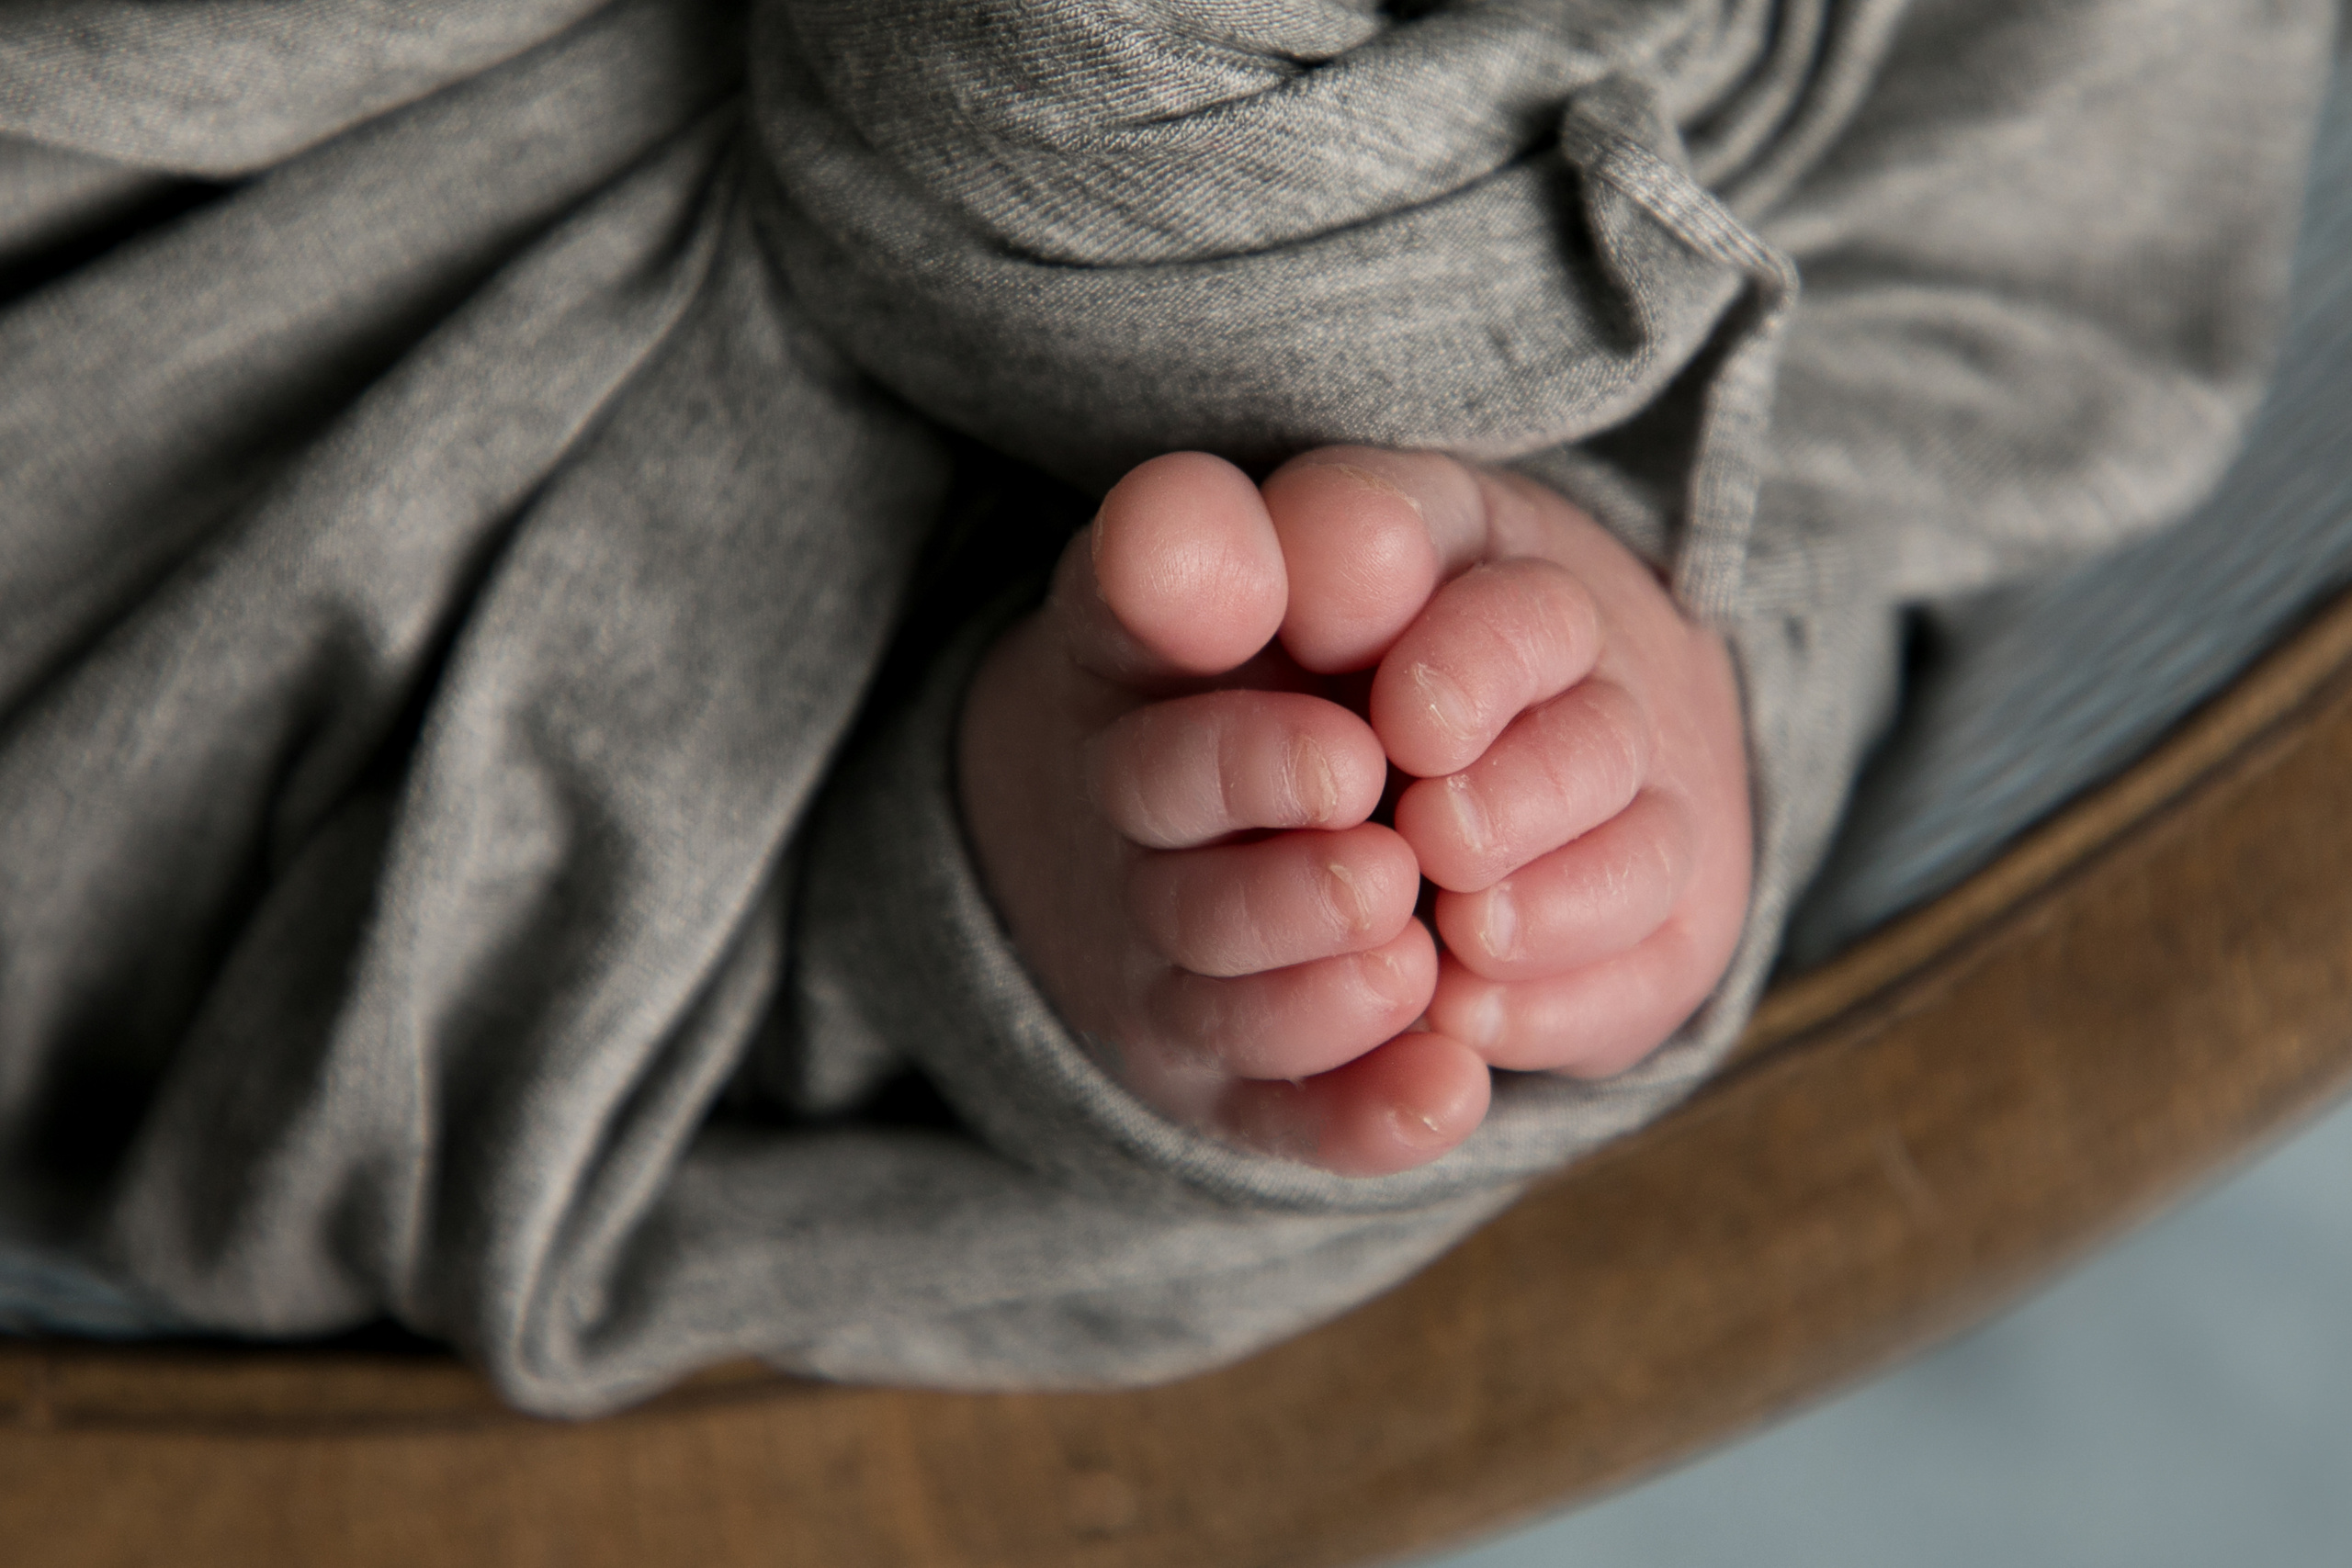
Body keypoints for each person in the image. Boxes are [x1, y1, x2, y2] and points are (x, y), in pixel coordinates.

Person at [0, 0, 2336, 1414]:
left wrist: (1630, 651)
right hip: (260, 299)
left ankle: (1082, 888)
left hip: (738, 627)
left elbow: (1954, 339)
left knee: (1479, 822)